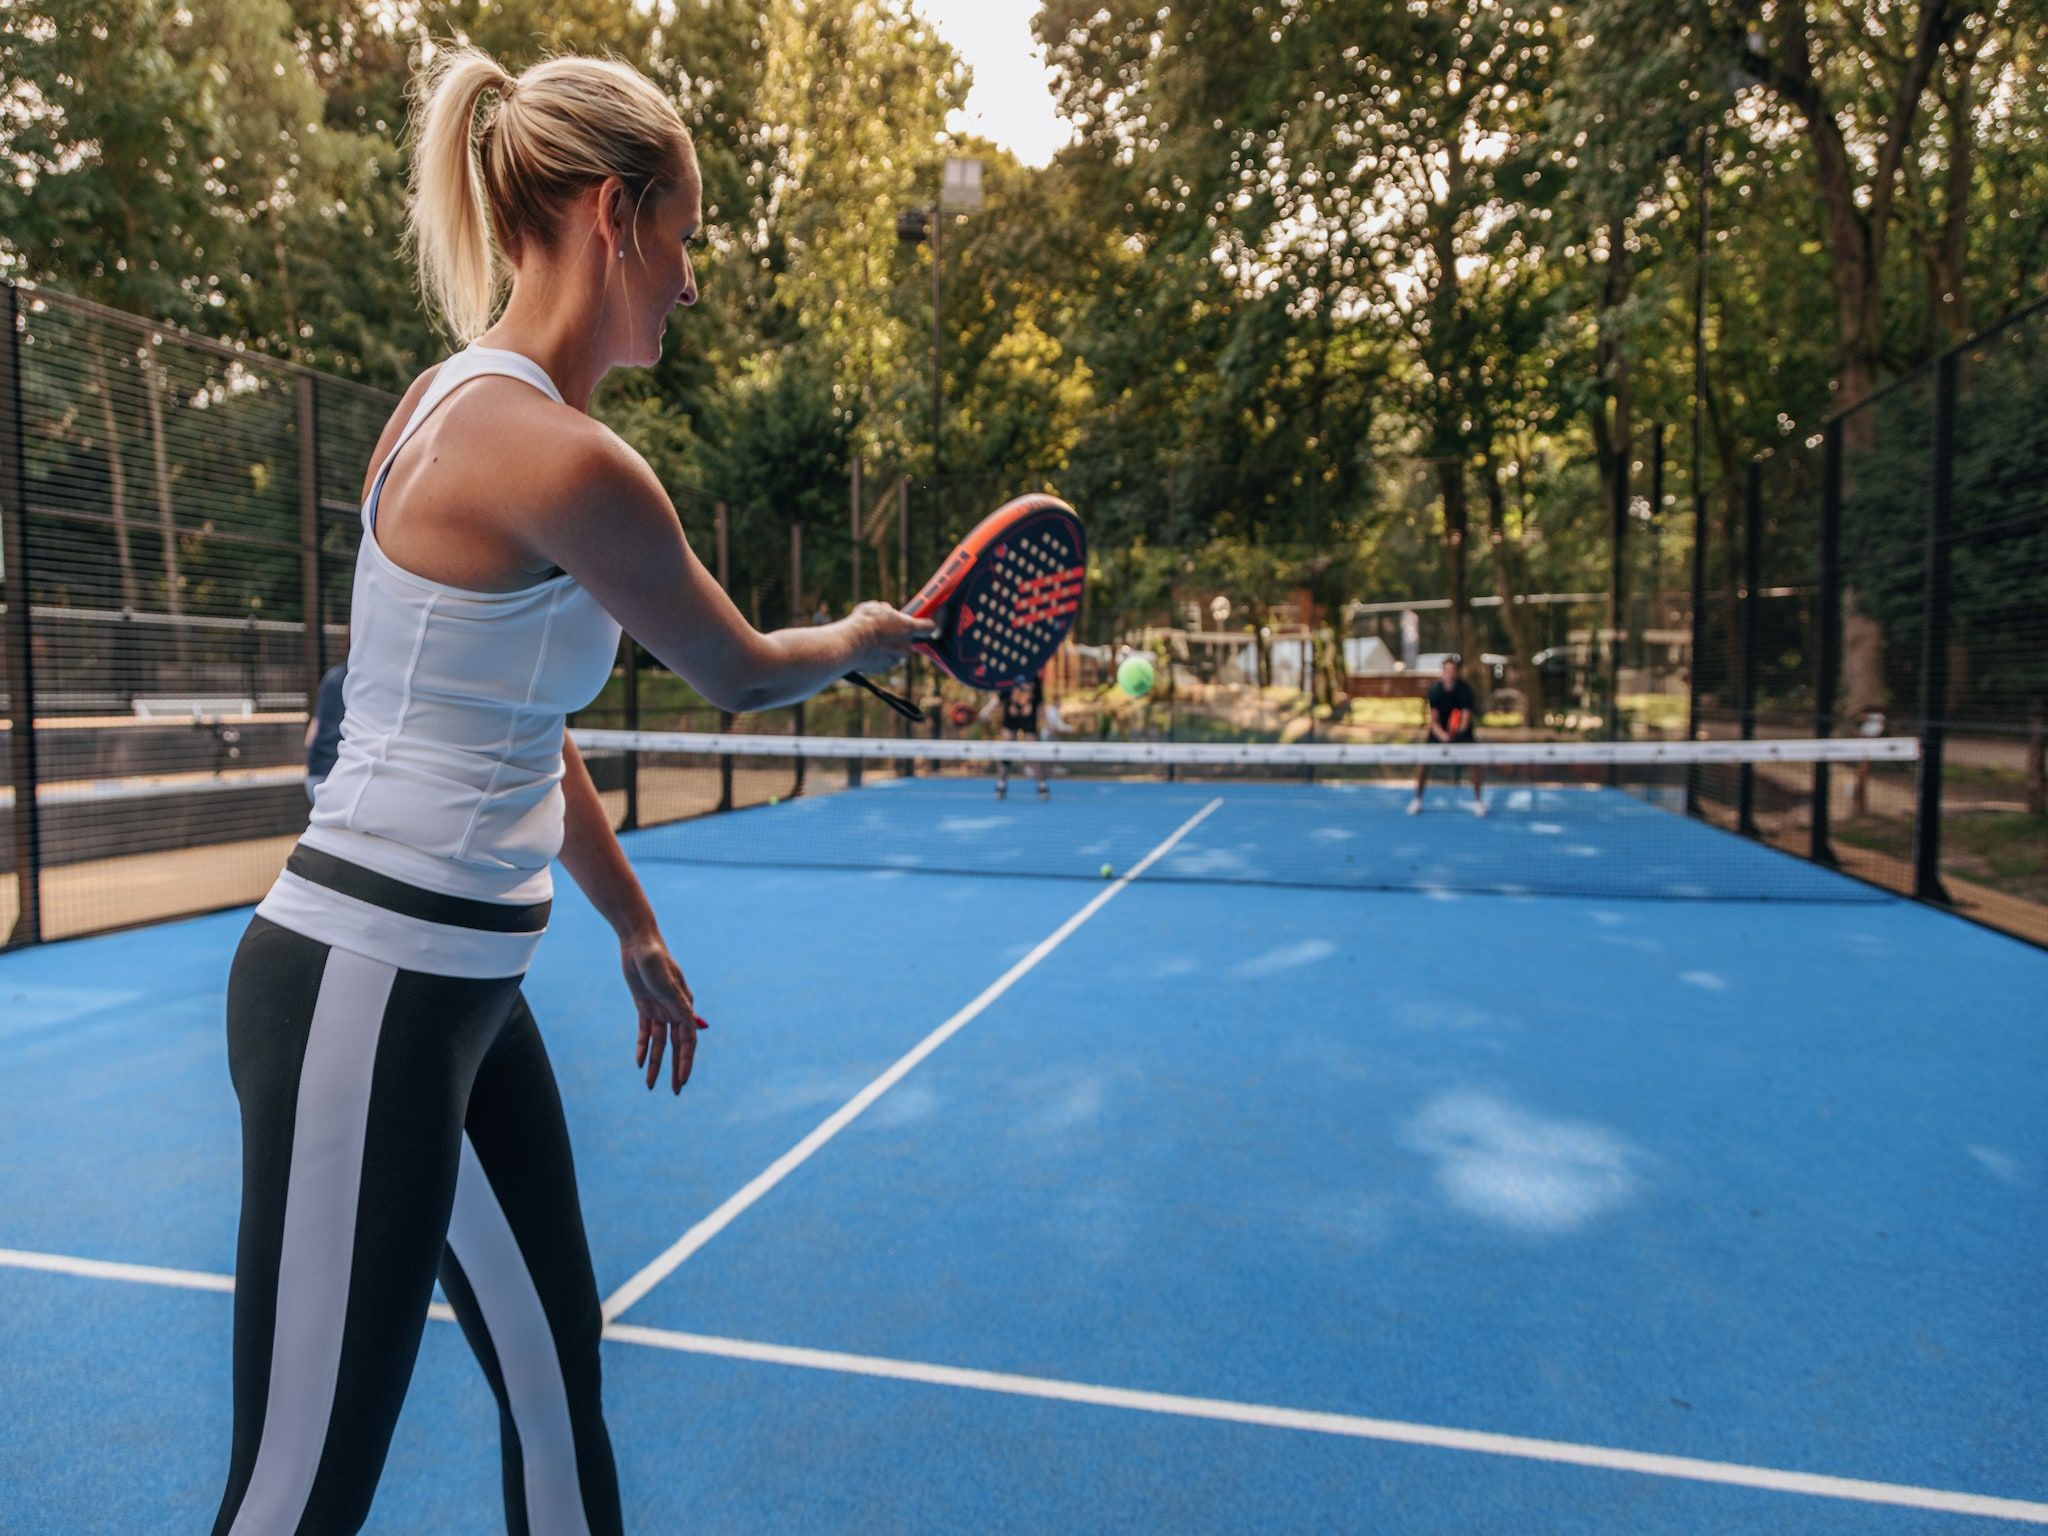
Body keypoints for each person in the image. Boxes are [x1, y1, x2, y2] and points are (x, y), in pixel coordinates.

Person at [212, 48, 930, 1536]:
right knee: (296, 1495)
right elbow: (738, 673)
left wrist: (629, 921)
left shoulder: (469, 408)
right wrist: (856, 639)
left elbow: (522, 724)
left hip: (465, 987)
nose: (689, 277)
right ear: (617, 215)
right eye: (685, 236)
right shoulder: (555, 454)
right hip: (369, 983)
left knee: (555, 1380)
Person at [1409, 653, 1487, 816]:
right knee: (1424, 763)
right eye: (1447, 670)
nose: (1450, 673)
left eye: (1453, 670)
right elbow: (1434, 720)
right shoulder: (1435, 691)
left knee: (1475, 764)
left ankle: (1479, 801)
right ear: (1443, 672)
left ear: (1457, 672)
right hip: (1439, 732)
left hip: (1462, 733)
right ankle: (1417, 800)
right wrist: (1444, 736)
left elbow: (1465, 718)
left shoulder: (1465, 690)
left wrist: (1457, 734)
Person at [982, 674, 1064, 799]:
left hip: (1029, 721)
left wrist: (1047, 723)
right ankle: (1001, 784)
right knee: (1006, 753)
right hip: (1011, 719)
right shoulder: (1009, 673)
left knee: (1034, 754)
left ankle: (1042, 785)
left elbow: (1040, 703)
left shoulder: (1035, 678)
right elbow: (998, 698)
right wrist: (984, 712)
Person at [303, 657, 348, 801]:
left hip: (314, 776)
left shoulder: (332, 676)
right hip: (341, 777)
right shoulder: (362, 679)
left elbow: (310, 737)